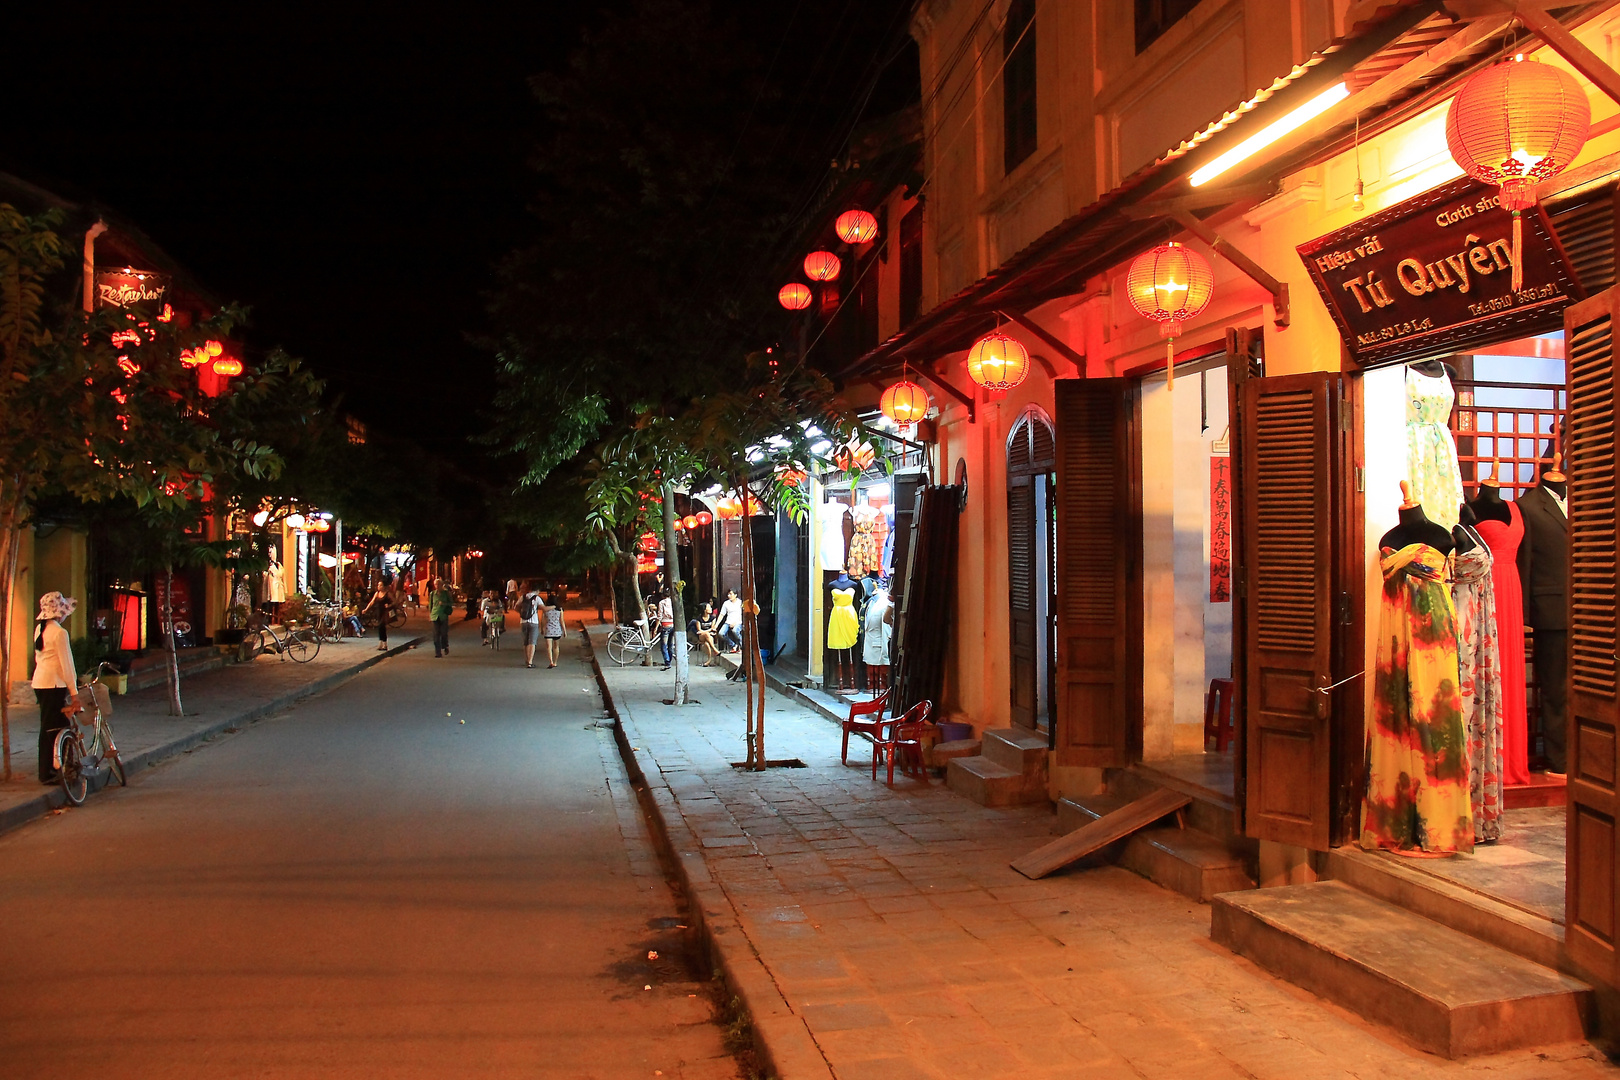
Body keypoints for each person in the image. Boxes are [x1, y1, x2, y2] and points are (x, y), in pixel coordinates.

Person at [32, 592, 80, 784]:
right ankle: (48, 772)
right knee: (53, 729)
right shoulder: (60, 633)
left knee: (50, 727)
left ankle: (55, 768)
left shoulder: (40, 629)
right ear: (59, 613)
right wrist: (74, 692)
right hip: (53, 684)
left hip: (40, 682)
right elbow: (66, 665)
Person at [362, 574, 393, 652]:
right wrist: (366, 609)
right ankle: (381, 643)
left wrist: (389, 605)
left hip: (385, 612)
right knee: (380, 627)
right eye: (378, 585)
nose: (378, 586)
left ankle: (384, 643)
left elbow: (395, 602)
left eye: (380, 585)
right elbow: (372, 602)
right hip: (378, 612)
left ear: (384, 586)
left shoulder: (387, 594)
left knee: (381, 626)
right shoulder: (377, 594)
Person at [517, 580, 543, 668]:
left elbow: (515, 607)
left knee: (526, 641)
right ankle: (530, 662)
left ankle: (527, 659)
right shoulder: (537, 598)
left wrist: (521, 613)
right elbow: (543, 608)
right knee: (532, 642)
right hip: (534, 622)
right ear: (538, 590)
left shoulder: (523, 597)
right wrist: (553, 607)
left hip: (523, 621)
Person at [429, 576, 454, 657]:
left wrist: (444, 604)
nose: (437, 586)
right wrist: (430, 614)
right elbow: (430, 605)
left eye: (438, 584)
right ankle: (438, 652)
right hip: (435, 615)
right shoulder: (432, 594)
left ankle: (445, 646)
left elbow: (451, 603)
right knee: (436, 635)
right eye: (436, 585)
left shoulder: (446, 593)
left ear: (442, 585)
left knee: (443, 633)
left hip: (443, 615)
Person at [692, 600, 721, 666]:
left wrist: (705, 631)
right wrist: (708, 631)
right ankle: (715, 650)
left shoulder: (712, 618)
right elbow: (699, 630)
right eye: (709, 607)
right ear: (705, 610)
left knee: (707, 643)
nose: (711, 609)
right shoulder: (699, 619)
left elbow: (713, 629)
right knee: (706, 634)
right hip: (701, 637)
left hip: (710, 636)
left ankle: (709, 660)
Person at [541, 592, 566, 667]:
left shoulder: (546, 610)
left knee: (549, 647)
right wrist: (564, 630)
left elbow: (543, 620)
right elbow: (561, 621)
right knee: (556, 646)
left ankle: (551, 661)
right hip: (557, 629)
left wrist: (542, 628)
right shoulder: (559, 610)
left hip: (548, 629)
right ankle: (555, 662)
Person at [717, 589, 744, 653]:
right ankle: (733, 645)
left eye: (731, 594)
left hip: (738, 622)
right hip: (728, 622)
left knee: (735, 631)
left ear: (735, 595)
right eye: (728, 594)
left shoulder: (740, 602)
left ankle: (743, 646)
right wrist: (716, 624)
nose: (729, 596)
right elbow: (722, 614)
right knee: (721, 633)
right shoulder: (726, 603)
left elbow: (743, 614)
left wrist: (736, 623)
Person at [655, 590, 675, 669]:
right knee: (670, 644)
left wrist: (656, 627)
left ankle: (667, 661)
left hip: (665, 625)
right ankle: (669, 661)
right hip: (672, 624)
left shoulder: (662, 603)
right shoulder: (673, 602)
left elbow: (659, 616)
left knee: (663, 645)